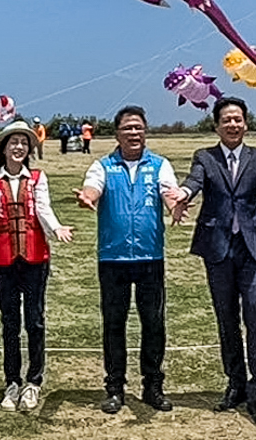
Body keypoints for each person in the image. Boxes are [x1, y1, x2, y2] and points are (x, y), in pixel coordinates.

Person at [171, 97, 256, 428]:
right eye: (227, 120)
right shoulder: (205, 157)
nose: (233, 124)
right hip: (218, 249)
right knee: (226, 320)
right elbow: (194, 181)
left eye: (238, 119)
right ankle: (235, 384)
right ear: (216, 125)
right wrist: (183, 195)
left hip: (252, 249)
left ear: (246, 123)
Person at [75, 105, 183, 414]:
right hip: (113, 258)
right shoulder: (103, 166)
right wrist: (87, 198)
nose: (134, 133)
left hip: (150, 256)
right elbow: (92, 188)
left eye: (139, 127)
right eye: (128, 128)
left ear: (145, 131)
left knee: (153, 323)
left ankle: (153, 385)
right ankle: (115, 388)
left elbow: (169, 192)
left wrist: (176, 203)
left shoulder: (160, 165)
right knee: (114, 324)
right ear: (117, 133)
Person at [0, 118, 73, 411]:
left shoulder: (38, 178)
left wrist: (56, 228)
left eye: (24, 142)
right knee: (9, 323)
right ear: (3, 148)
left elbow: (44, 209)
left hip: (35, 258)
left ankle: (33, 382)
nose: (19, 147)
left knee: (34, 321)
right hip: (5, 261)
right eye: (14, 142)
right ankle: (11, 382)